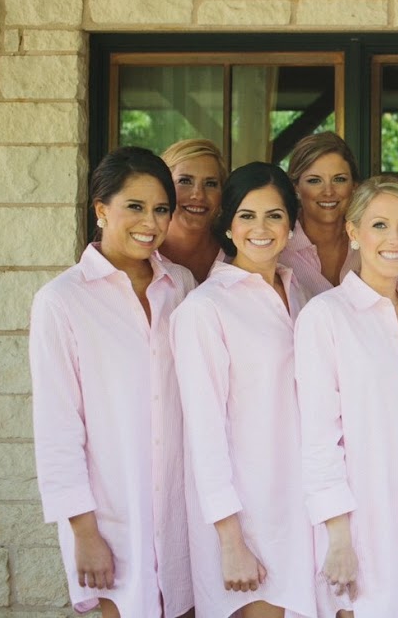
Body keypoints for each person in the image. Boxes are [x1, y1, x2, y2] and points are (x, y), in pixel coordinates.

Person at [29, 146, 196, 618]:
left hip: (180, 513)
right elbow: (57, 427)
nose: (151, 221)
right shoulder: (61, 301)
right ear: (101, 209)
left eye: (162, 209)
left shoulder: (181, 286)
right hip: (110, 518)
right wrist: (84, 532)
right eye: (135, 207)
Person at [296, 177, 398, 617]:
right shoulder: (325, 317)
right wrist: (339, 538)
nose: (394, 239)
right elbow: (319, 440)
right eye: (379, 225)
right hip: (357, 528)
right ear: (353, 232)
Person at [171, 162, 315, 618]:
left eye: (274, 215)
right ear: (228, 225)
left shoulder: (301, 296)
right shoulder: (205, 308)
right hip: (246, 518)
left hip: (302, 511)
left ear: (291, 225)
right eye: (247, 215)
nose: (261, 227)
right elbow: (204, 432)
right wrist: (230, 540)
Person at [280, 132, 361, 297]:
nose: (329, 192)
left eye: (339, 179)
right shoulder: (277, 248)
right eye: (314, 181)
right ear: (296, 187)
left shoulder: (370, 242)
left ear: (354, 185)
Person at [159, 138, 227, 282]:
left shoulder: (234, 255)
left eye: (210, 183)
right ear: (162, 186)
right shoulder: (141, 254)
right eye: (185, 181)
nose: (198, 195)